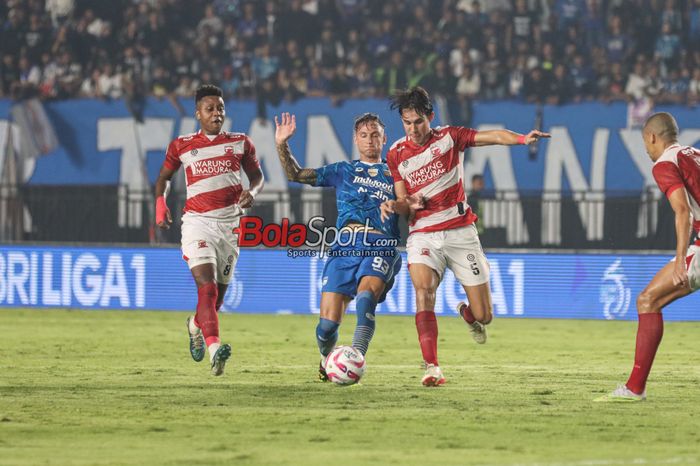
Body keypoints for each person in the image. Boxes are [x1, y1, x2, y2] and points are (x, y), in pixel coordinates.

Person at [381, 86, 549, 387]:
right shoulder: (395, 154)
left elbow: (493, 136)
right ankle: (432, 367)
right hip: (423, 234)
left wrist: (523, 139)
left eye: (418, 121)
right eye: (407, 122)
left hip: (460, 232)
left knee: (485, 315)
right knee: (424, 292)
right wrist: (404, 205)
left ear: (430, 117)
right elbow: (402, 200)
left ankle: (468, 314)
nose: (413, 128)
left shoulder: (450, 137)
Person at [274, 112, 403, 381]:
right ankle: (326, 358)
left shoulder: (397, 174)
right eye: (364, 135)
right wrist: (281, 144)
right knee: (326, 328)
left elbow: (413, 203)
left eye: (375, 135)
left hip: (381, 242)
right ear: (356, 139)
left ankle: (355, 357)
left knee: (367, 296)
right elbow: (296, 174)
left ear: (384, 138)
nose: (370, 140)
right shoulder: (343, 171)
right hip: (344, 246)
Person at [154, 84, 264, 376]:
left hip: (230, 227)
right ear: (198, 113)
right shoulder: (182, 145)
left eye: (220, 108)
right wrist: (160, 204)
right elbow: (163, 179)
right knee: (208, 288)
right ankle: (216, 350)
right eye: (210, 109)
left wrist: (252, 192)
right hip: (197, 224)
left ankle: (195, 325)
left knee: (216, 301)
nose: (217, 113)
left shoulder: (241, 143)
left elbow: (257, 177)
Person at [595, 112, 700, 402]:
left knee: (647, 300)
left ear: (652, 137)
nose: (646, 149)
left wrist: (680, 259)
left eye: (645, 142)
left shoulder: (665, 163)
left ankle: (634, 388)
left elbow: (683, 210)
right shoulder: (694, 154)